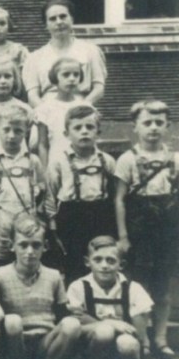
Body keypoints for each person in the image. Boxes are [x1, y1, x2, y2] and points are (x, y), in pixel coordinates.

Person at [115, 100, 179, 359]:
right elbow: (119, 200)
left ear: (168, 126)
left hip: (167, 231)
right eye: (147, 123)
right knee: (138, 287)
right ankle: (142, 341)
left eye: (159, 123)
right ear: (135, 127)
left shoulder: (177, 159)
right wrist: (123, 236)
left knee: (162, 289)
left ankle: (161, 341)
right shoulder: (127, 160)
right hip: (139, 231)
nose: (153, 128)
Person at [0, 214, 81, 359]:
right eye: (23, 245)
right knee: (12, 320)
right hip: (14, 343)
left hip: (45, 344)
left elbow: (62, 313)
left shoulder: (54, 276)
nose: (29, 251)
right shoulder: (0, 275)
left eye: (36, 245)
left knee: (72, 324)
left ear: (45, 246)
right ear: (12, 245)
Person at [66, 236, 160, 359]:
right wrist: (109, 322)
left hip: (121, 347)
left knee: (128, 343)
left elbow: (139, 322)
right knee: (104, 331)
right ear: (88, 262)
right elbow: (77, 317)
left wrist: (142, 343)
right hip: (89, 345)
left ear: (121, 264)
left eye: (111, 260)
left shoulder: (132, 288)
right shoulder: (79, 286)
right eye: (98, 259)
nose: (104, 265)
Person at [46, 105, 116, 283]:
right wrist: (53, 228)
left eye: (90, 127)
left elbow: (114, 194)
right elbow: (50, 196)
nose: (84, 132)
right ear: (66, 134)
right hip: (71, 219)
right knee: (74, 266)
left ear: (98, 132)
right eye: (77, 128)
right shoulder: (58, 162)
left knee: (101, 261)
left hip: (101, 217)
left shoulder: (107, 161)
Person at [0, 106, 45, 277]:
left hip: (27, 219)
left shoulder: (33, 161)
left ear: (26, 131)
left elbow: (42, 190)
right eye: (6, 129)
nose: (11, 136)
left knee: (26, 260)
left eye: (18, 131)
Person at [23, 0, 107, 107]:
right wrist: (46, 112)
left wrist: (82, 107)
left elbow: (99, 88)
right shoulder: (35, 58)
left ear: (72, 19)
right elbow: (32, 95)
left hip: (82, 108)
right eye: (53, 19)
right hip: (48, 108)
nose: (59, 22)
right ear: (46, 25)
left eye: (63, 16)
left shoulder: (90, 50)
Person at [35, 57, 90, 166]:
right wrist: (46, 171)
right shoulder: (45, 109)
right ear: (55, 78)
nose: (72, 78)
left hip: (82, 164)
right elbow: (42, 145)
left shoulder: (85, 106)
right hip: (56, 162)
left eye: (76, 74)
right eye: (66, 75)